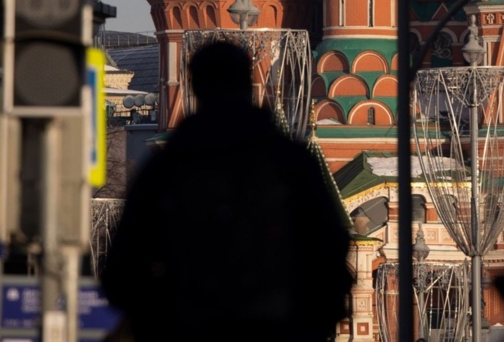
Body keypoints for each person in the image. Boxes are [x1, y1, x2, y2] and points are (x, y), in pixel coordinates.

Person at [102, 41, 352, 341]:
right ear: (247, 85)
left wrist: (155, 319)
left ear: (195, 87)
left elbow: (123, 268)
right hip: (278, 328)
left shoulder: (167, 169)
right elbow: (330, 247)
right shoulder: (291, 162)